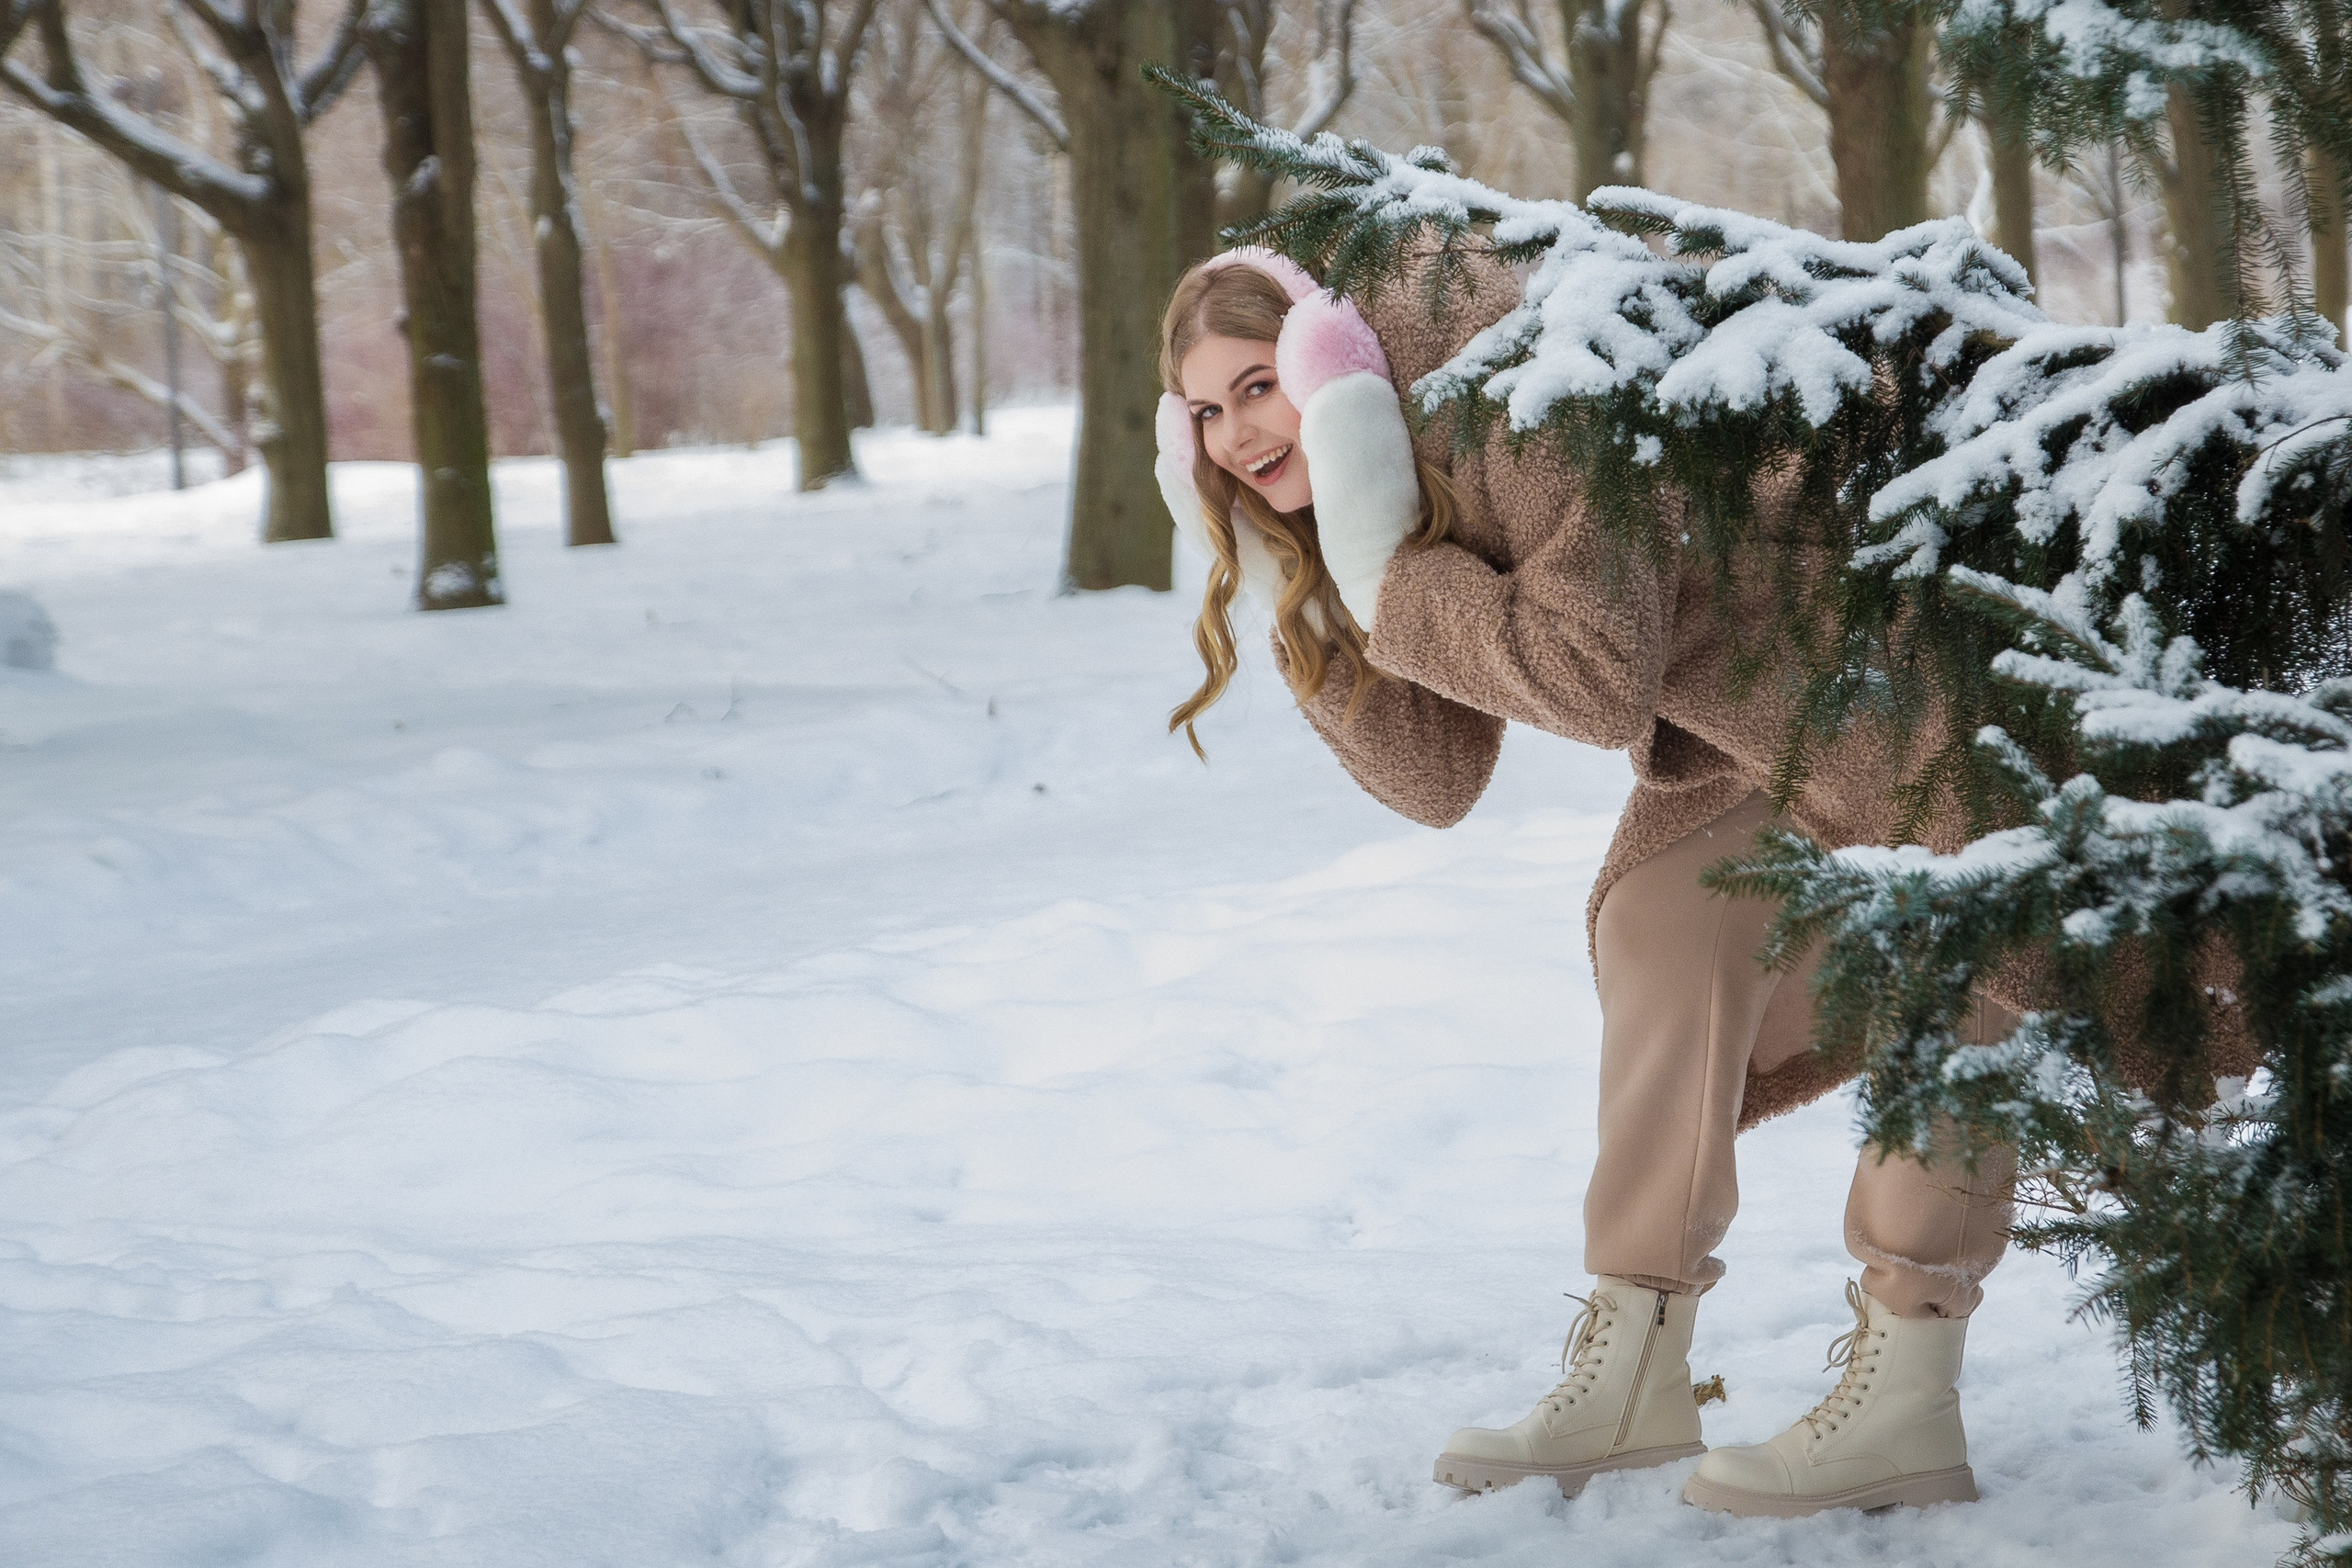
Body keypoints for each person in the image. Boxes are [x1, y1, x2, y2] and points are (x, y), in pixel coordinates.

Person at [1154, 245, 2017, 1518]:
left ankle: (1909, 1387)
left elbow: (1589, 674)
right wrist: (1305, 571)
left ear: (1333, 362)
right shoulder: (1375, 460)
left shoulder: (1531, 384)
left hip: (1923, 669)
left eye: (1259, 386)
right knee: (1664, 920)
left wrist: (1386, 573)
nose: (1238, 434)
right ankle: (1635, 1368)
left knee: (1972, 952)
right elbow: (1434, 776)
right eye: (1205, 414)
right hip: (1761, 717)